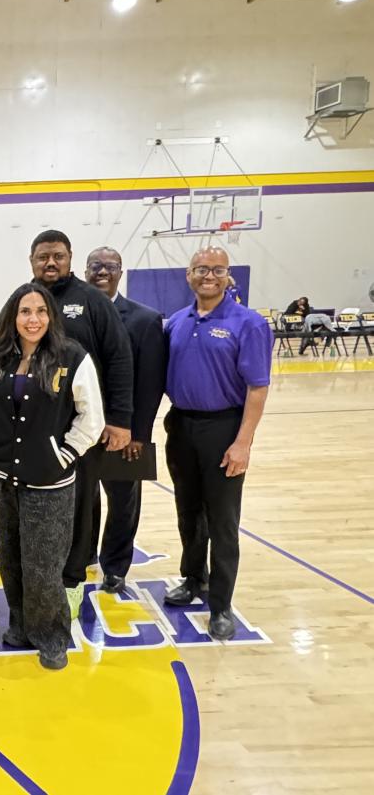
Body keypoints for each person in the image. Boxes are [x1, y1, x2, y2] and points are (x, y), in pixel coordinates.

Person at [0, 283, 104, 670]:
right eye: (25, 311)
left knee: (43, 563)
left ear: (51, 317)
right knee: (10, 557)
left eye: (41, 311)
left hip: (49, 480)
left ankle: (53, 636)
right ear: (12, 316)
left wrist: (64, 455)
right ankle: (22, 624)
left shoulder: (71, 357)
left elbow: (91, 418)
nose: (33, 319)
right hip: (3, 477)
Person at [163, 246, 272, 641]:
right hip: (181, 425)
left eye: (217, 270)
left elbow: (258, 388)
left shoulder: (249, 324)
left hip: (223, 427)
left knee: (223, 520)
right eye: (201, 269)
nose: (209, 276)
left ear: (229, 277)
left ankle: (221, 604)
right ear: (188, 275)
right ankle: (194, 578)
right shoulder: (175, 322)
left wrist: (243, 443)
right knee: (188, 512)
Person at [29, 229, 132, 617]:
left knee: (80, 503)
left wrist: (119, 421)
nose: (50, 263)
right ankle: (41, 575)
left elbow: (120, 359)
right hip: (35, 426)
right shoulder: (26, 300)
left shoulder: (92, 301)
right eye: (43, 257)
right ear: (32, 261)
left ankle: (72, 582)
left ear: (70, 258)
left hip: (82, 429)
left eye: (57, 256)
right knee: (40, 504)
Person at [84, 248, 167, 593]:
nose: (102, 271)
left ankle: (115, 566)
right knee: (82, 499)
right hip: (79, 430)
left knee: (123, 501)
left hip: (125, 430)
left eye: (110, 266)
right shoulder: (69, 314)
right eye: (95, 266)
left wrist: (139, 434)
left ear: (121, 272)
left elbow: (150, 383)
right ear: (85, 271)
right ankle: (83, 554)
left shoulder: (145, 319)